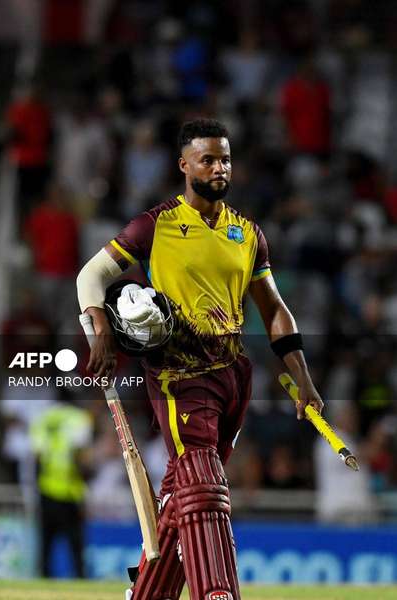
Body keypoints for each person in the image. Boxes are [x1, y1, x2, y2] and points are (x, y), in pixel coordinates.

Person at [75, 119, 325, 600]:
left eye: (225, 158)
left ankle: (147, 594)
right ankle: (218, 592)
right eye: (207, 158)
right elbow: (92, 274)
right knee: (205, 485)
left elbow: (274, 310)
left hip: (234, 373)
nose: (218, 167)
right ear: (184, 165)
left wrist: (304, 379)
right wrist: (100, 327)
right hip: (177, 372)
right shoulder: (155, 224)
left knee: (186, 493)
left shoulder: (247, 232)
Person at [29, 397, 93, 578]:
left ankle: (42, 582)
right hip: (70, 491)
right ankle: (80, 581)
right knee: (76, 544)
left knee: (45, 543)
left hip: (46, 488)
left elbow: (37, 455)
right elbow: (81, 456)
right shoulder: (80, 418)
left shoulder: (43, 417)